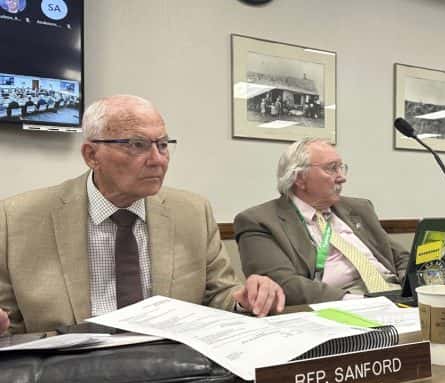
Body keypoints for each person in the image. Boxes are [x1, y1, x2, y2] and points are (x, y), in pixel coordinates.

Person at [0, 95, 285, 335]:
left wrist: (245, 299)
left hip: (172, 366)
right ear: (92, 155)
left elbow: (219, 294)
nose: (158, 160)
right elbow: (10, 324)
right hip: (67, 372)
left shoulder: (192, 212)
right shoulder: (18, 219)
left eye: (163, 145)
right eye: (137, 145)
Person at [234, 137, 409, 304]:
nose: (342, 177)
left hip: (397, 295)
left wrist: (411, 286)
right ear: (299, 178)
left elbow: (399, 256)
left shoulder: (359, 208)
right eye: (332, 168)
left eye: (341, 168)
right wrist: (361, 303)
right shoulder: (260, 221)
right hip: (343, 304)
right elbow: (282, 284)